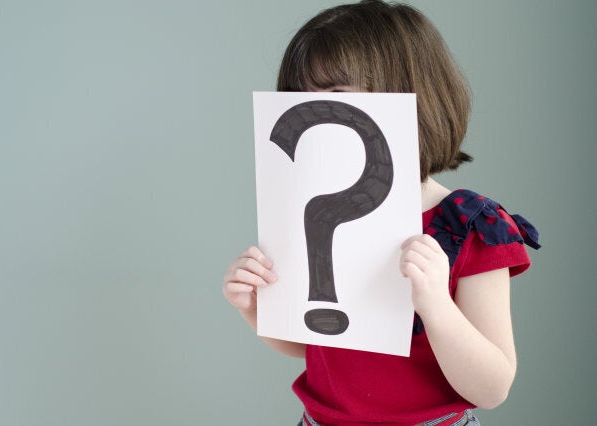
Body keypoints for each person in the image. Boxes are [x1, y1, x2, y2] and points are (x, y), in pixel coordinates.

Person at [222, 1, 540, 425]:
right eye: (301, 97)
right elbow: (310, 343)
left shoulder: (470, 227)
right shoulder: (308, 213)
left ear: (408, 97)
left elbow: (492, 387)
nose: (316, 114)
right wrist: (254, 307)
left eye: (336, 96)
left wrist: (436, 305)